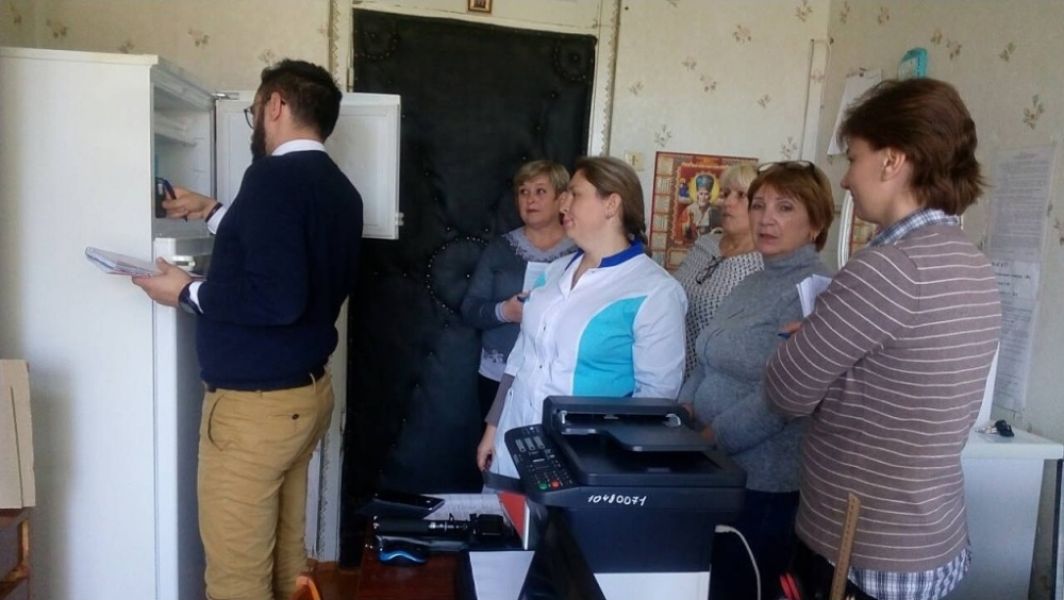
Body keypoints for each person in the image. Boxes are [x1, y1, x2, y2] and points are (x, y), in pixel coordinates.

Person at [133, 59, 362, 600]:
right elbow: (286, 250)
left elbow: (276, 297)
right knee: (285, 559)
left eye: (254, 111)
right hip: (305, 397)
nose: (255, 122)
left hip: (255, 412)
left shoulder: (270, 179)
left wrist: (186, 291)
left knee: (237, 580)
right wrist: (213, 211)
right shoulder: (340, 189)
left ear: (275, 105)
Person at [764, 78, 1002, 600]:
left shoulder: (888, 269)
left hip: (861, 549)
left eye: (854, 157)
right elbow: (900, 371)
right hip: (931, 534)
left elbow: (785, 392)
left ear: (892, 161)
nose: (846, 178)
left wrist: (809, 338)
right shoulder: (973, 263)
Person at [678, 161, 834, 600]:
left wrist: (712, 437)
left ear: (815, 224)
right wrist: (683, 410)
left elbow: (783, 397)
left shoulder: (815, 290)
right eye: (759, 205)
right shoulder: (755, 279)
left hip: (763, 481)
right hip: (716, 466)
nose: (766, 219)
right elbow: (708, 352)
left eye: (785, 208)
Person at [476, 156, 687, 478]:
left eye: (574, 194)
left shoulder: (656, 292)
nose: (563, 203)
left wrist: (610, 470)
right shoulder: (555, 271)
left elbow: (656, 401)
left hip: (582, 459)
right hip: (515, 439)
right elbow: (520, 357)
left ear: (611, 204)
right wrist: (493, 428)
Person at [461, 160, 577, 419]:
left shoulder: (579, 252)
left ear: (562, 199)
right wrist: (505, 311)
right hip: (499, 373)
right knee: (495, 441)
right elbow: (470, 310)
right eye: (523, 192)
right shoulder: (500, 249)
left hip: (559, 376)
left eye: (540, 191)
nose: (530, 199)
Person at [671, 164, 762, 376]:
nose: (727, 202)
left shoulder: (763, 265)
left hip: (714, 381)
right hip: (672, 370)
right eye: (726, 193)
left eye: (741, 195)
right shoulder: (705, 244)